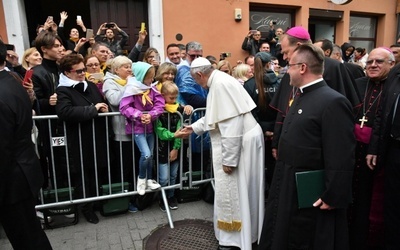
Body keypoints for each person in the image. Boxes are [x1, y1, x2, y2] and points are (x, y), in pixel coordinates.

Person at [259, 43, 355, 250]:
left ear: (302, 68)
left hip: (311, 191)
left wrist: (334, 194)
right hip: (288, 181)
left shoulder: (333, 101)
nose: (286, 71)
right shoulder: (300, 95)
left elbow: (341, 153)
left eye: (289, 65)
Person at [180, 57, 264, 250]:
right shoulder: (219, 79)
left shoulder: (219, 85)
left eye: (195, 80)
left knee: (240, 190)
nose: (197, 84)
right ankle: (246, 234)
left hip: (241, 141)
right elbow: (214, 115)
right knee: (246, 191)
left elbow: (231, 125)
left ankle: (236, 239)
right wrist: (192, 128)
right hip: (245, 138)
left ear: (200, 74)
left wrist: (229, 160)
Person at [270, 26, 360, 160]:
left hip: (317, 148)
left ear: (299, 46)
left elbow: (340, 118)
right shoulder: (291, 71)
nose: (284, 57)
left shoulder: (333, 67)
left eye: (286, 52)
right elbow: (282, 112)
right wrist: (277, 142)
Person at [0, 40, 52, 250]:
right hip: (22, 171)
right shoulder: (11, 78)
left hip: (11, 179)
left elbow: (2, 148)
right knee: (30, 234)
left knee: (27, 240)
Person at [349, 47, 394, 250]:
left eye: (379, 62)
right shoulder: (357, 85)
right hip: (353, 149)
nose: (373, 65)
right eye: (370, 62)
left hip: (377, 153)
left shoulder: (393, 88)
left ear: (392, 65)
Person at [56, 53, 109, 224]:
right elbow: (65, 112)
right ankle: (86, 207)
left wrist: (103, 108)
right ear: (67, 72)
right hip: (78, 139)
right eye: (78, 71)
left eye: (83, 70)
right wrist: (93, 110)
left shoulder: (90, 85)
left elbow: (99, 102)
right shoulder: (62, 90)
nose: (82, 73)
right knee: (83, 175)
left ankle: (97, 202)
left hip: (96, 136)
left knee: (96, 170)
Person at [366, 56, 400, 250]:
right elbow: (381, 114)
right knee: (392, 208)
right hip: (393, 150)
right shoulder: (396, 73)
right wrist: (374, 148)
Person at [119, 62, 165, 195]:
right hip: (137, 128)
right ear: (141, 76)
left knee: (150, 156)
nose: (152, 80)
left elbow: (160, 105)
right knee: (146, 154)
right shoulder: (131, 89)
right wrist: (139, 115)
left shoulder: (152, 89)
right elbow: (124, 107)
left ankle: (149, 179)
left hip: (150, 127)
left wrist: (151, 115)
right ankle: (141, 179)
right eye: (149, 77)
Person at [243, 52, 279, 194]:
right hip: (276, 129)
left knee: (257, 165)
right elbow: (283, 108)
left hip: (257, 129)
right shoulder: (280, 82)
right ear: (269, 64)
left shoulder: (249, 84)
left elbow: (250, 111)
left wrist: (262, 128)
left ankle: (259, 195)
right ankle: (273, 194)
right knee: (273, 164)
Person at [155, 81, 193, 212]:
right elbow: (159, 131)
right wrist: (173, 135)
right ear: (163, 95)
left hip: (175, 148)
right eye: (171, 98)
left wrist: (175, 148)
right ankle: (162, 197)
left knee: (173, 175)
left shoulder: (180, 109)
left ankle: (170, 197)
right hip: (162, 148)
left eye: (175, 97)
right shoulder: (158, 111)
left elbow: (181, 129)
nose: (174, 100)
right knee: (164, 178)